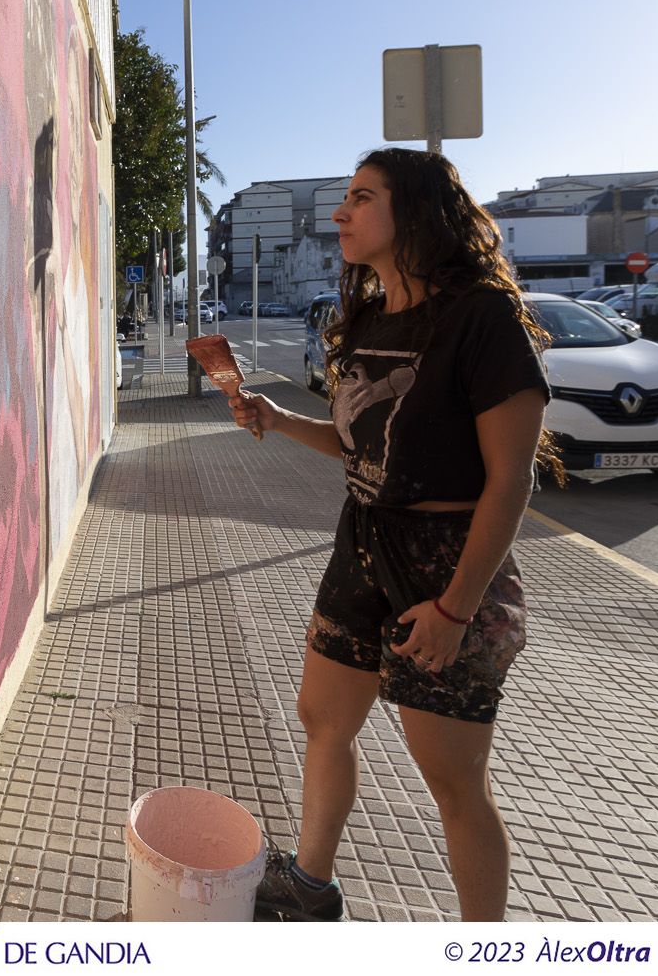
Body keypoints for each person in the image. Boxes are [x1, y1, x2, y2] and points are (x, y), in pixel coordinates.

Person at [227, 146, 561, 922]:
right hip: (362, 547)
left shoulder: (481, 316)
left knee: (451, 780)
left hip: (446, 569)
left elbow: (511, 480)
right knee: (324, 719)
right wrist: (278, 421)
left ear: (412, 212)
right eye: (343, 197)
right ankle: (310, 886)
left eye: (360, 197)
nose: (339, 212)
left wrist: (454, 610)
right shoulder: (373, 315)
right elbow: (363, 445)